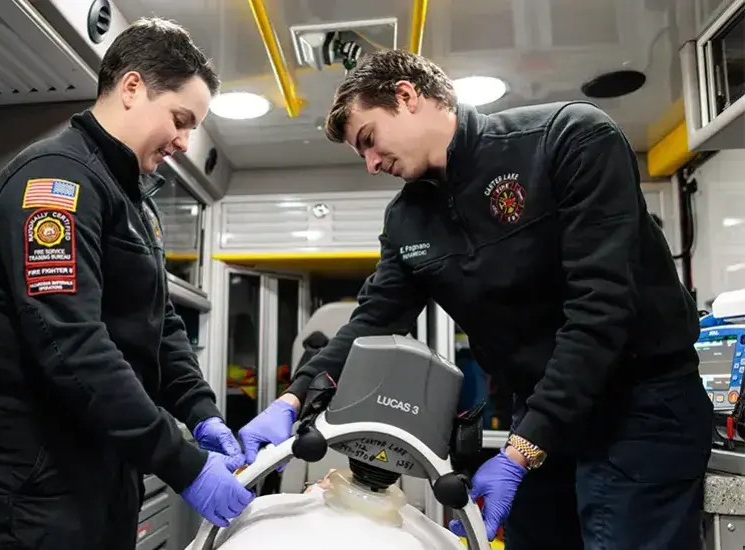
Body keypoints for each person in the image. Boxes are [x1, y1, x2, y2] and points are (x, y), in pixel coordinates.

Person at [237, 49, 712, 549]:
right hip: (540, 415)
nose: (372, 165)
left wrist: (523, 449)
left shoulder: (567, 139)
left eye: (369, 141)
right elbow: (372, 322)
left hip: (639, 407)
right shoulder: (407, 219)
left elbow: (601, 307)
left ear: (406, 96)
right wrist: (293, 399)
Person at [0, 18, 252, 549]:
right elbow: (71, 343)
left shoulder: (132, 199)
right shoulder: (55, 182)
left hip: (94, 454)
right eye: (181, 119)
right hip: (31, 464)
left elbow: (162, 324)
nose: (183, 140)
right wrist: (184, 465)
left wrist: (200, 412)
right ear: (132, 88)